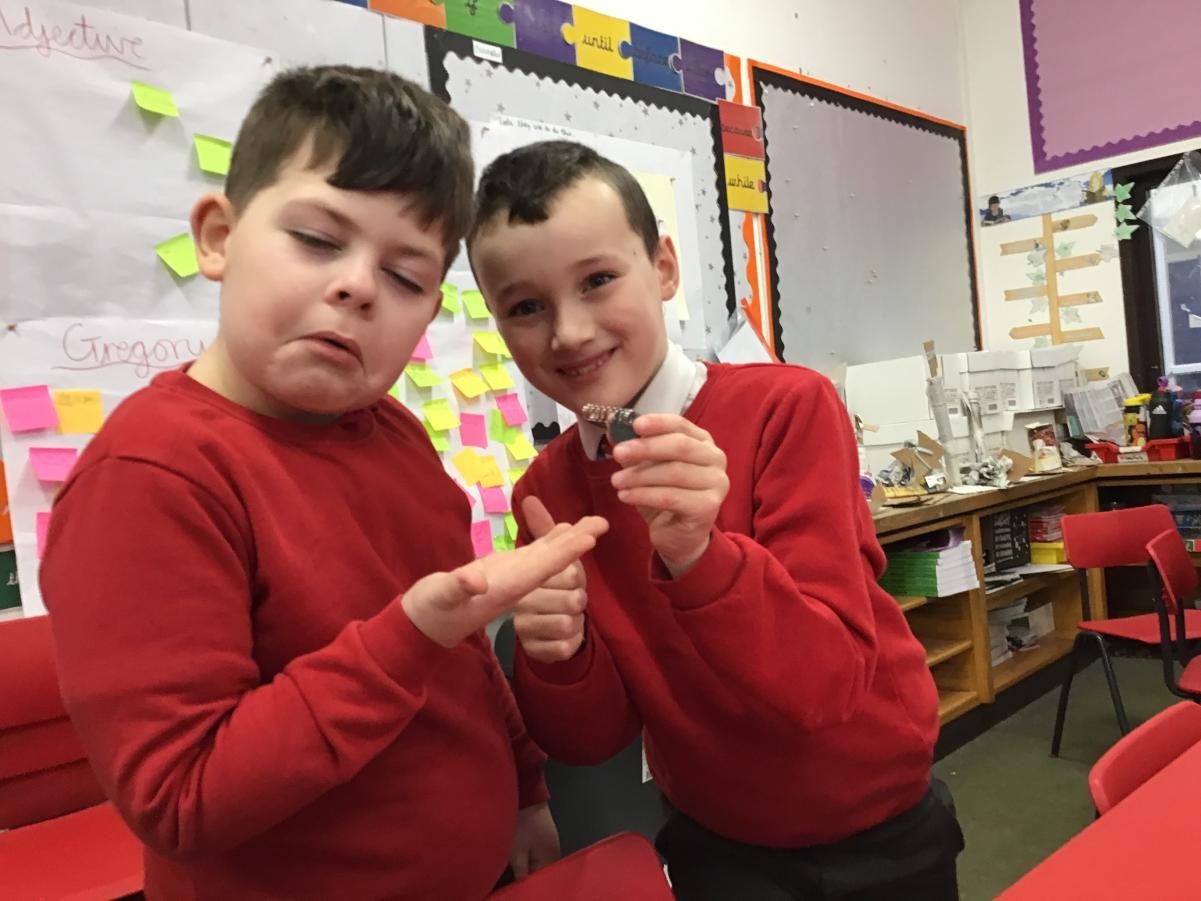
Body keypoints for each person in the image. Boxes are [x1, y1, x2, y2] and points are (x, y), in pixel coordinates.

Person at [39, 69, 607, 900]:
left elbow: (456, 655)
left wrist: (525, 786)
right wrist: (408, 632)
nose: (358, 287)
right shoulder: (151, 474)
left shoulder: (393, 433)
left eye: (406, 277)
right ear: (218, 238)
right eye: (315, 239)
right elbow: (178, 798)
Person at [467, 140, 964, 900]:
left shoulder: (786, 409)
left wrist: (699, 555)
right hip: (712, 835)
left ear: (664, 267)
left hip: (875, 825)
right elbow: (590, 739)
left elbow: (822, 688)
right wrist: (557, 652)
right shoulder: (546, 490)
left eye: (597, 280)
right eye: (525, 307)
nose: (568, 332)